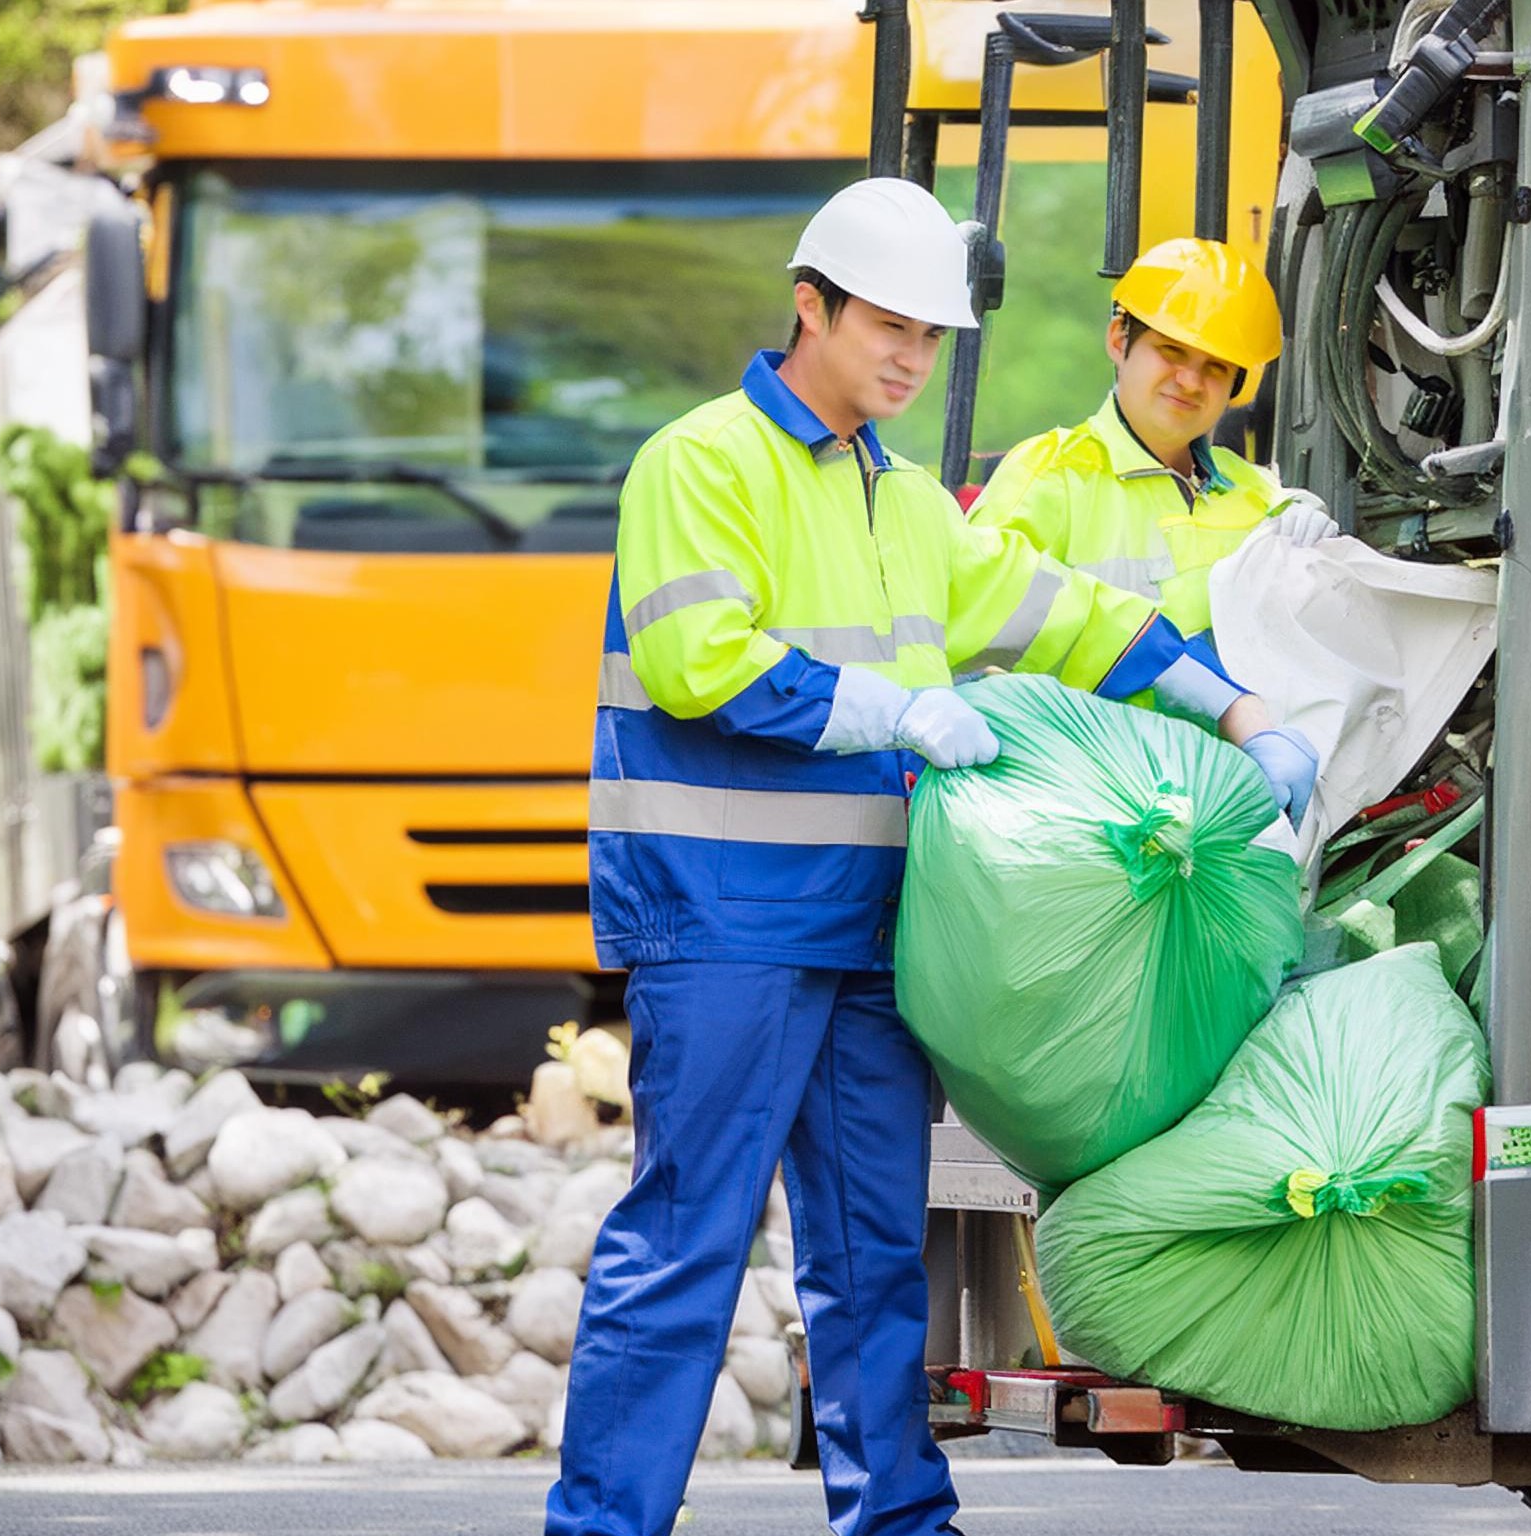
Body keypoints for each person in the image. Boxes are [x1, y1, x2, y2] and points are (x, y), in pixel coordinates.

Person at [550, 180, 1316, 1536]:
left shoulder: (906, 502)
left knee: (874, 1264)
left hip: (865, 930)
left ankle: (901, 1521)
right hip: (725, 925)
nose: (909, 357)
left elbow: (1057, 612)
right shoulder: (701, 461)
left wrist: (1232, 708)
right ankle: (604, 1527)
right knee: (685, 1254)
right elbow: (697, 659)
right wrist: (895, 712)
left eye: (931, 338)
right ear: (812, 306)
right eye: (888, 326)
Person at [969, 237, 1338, 666]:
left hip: (1238, 734)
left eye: (1215, 367)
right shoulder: (1048, 478)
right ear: (1117, 340)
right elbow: (981, 646)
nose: (1190, 382)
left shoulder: (1258, 493)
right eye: (1171, 351)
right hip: (1086, 734)